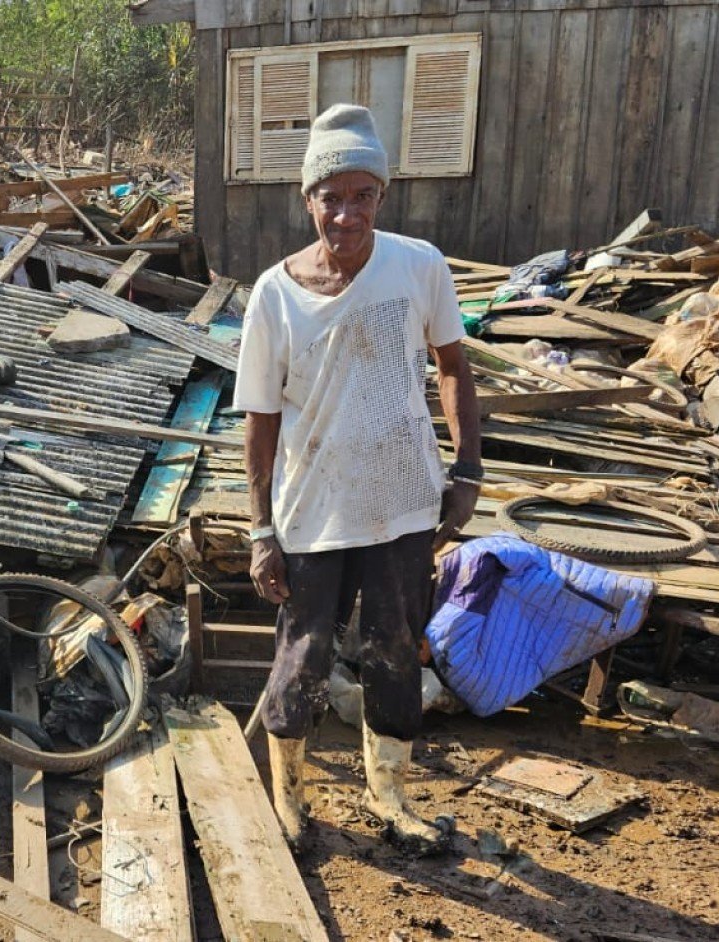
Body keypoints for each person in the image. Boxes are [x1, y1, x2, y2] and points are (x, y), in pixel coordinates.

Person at [233, 103, 482, 852]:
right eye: (329, 197)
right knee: (303, 656)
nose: (345, 214)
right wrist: (259, 529)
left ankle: (391, 795)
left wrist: (466, 469)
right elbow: (259, 420)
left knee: (395, 650)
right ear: (307, 199)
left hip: (404, 502)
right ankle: (292, 797)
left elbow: (453, 367)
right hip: (314, 507)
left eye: (361, 195)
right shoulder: (275, 294)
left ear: (383, 195)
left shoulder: (418, 265)